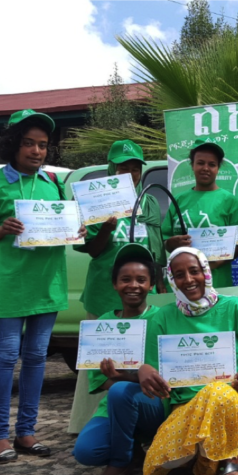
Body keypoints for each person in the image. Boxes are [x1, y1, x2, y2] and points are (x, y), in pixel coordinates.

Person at [0, 109, 70, 463]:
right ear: (13, 144)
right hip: (9, 283)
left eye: (42, 145)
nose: (37, 151)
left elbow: (63, 226)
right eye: (29, 143)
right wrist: (3, 229)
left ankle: (26, 432)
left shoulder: (53, 184)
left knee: (37, 358)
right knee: (6, 356)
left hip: (47, 283)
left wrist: (76, 229)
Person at [138, 248, 238, 475]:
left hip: (234, 400)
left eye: (194, 271)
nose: (188, 280)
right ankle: (203, 449)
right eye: (179, 275)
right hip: (186, 405)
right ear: (172, 280)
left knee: (215, 391)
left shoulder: (236, 307)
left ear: (206, 272)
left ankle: (232, 456)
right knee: (165, 462)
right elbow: (152, 365)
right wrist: (144, 369)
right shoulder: (164, 317)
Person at [68, 139, 164, 435]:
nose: (130, 173)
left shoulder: (147, 201)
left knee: (138, 360)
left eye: (135, 168)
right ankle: (88, 424)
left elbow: (155, 246)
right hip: (105, 293)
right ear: (113, 168)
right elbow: (93, 250)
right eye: (124, 167)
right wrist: (106, 230)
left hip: (141, 295)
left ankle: (134, 421)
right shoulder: (97, 201)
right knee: (98, 362)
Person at [71, 244, 165, 475]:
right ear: (114, 284)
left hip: (154, 405)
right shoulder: (104, 323)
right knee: (86, 452)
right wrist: (136, 375)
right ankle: (134, 449)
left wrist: (129, 377)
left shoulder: (164, 318)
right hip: (114, 405)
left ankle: (119, 463)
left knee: (120, 390)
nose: (133, 285)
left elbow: (170, 376)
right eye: (125, 279)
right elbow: (101, 382)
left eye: (141, 280)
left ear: (151, 285)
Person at [163, 139, 238, 288]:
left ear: (218, 168)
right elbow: (166, 241)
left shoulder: (230, 202)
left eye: (212, 164)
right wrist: (172, 243)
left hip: (216, 282)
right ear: (192, 165)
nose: (205, 168)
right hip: (182, 284)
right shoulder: (179, 200)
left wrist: (220, 262)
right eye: (200, 163)